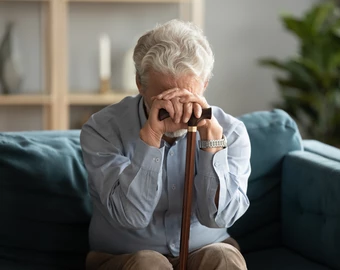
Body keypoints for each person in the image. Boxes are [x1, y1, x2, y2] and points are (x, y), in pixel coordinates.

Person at [80, 19, 251, 270]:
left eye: (187, 94)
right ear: (140, 84)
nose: (177, 109)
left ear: (204, 84)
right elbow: (131, 216)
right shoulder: (102, 129)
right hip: (126, 256)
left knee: (223, 258)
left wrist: (212, 144)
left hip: (204, 249)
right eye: (164, 98)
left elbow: (220, 218)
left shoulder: (232, 131)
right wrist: (150, 137)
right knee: (148, 264)